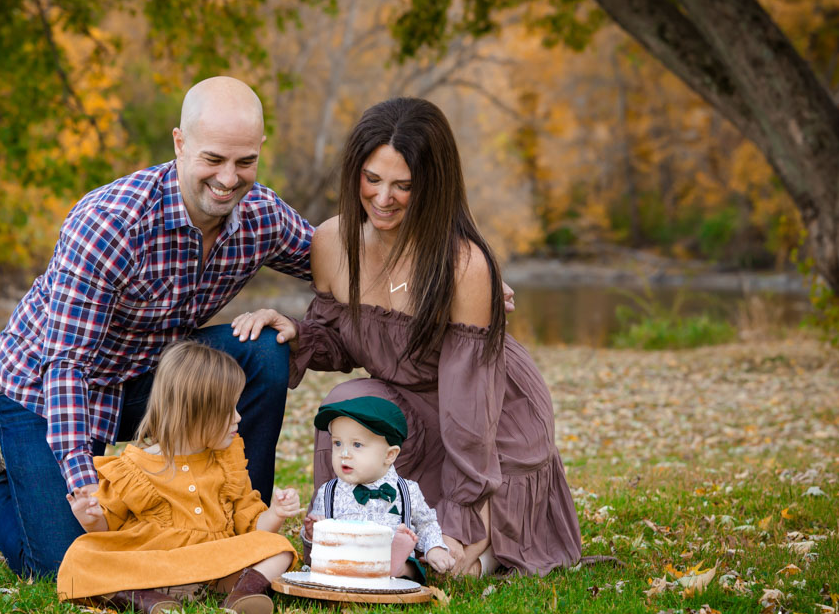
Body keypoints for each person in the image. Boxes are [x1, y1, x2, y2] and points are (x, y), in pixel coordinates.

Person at [0, 77, 314, 579]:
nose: (229, 179)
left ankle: (242, 536)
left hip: (154, 379)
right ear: (179, 144)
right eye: (213, 159)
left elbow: (339, 267)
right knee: (67, 565)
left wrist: (301, 323)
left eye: (244, 161)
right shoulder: (112, 224)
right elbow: (67, 364)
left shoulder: (260, 216)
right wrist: (81, 484)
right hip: (49, 385)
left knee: (265, 348)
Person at [232, 96, 616, 578]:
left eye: (404, 185)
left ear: (433, 187)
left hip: (490, 416)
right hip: (407, 406)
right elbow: (348, 342)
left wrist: (460, 522)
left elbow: (468, 414)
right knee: (348, 401)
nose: (382, 197)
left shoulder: (463, 264)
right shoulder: (332, 242)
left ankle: (487, 542)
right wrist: (300, 336)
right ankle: (342, 531)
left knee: (447, 566)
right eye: (371, 178)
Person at [56, 341, 299, 614]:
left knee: (279, 548)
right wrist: (90, 519)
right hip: (155, 570)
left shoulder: (227, 462)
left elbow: (253, 528)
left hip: (216, 568)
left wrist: (276, 514)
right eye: (228, 409)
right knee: (82, 557)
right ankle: (144, 598)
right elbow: (107, 529)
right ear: (195, 413)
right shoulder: (134, 467)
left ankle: (243, 595)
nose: (238, 417)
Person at [301, 396, 455, 579]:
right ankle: (377, 569)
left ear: (390, 455)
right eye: (337, 443)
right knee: (329, 562)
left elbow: (426, 525)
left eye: (357, 445)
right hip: (345, 562)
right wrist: (312, 533)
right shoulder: (328, 491)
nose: (344, 454)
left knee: (409, 564)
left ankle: (396, 565)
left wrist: (435, 548)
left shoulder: (407, 491)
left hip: (389, 561)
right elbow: (322, 536)